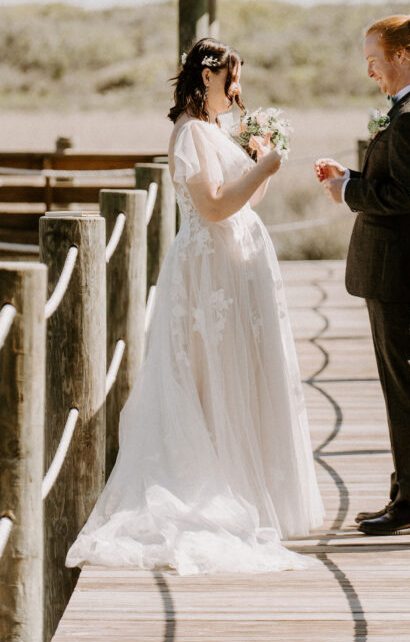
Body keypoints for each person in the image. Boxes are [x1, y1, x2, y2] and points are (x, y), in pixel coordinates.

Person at [67, 38, 323, 575]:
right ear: (207, 76)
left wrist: (257, 163)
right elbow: (211, 206)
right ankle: (211, 484)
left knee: (239, 374)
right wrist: (266, 168)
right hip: (209, 271)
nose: (238, 88)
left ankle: (245, 486)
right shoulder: (188, 132)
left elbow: (244, 200)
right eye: (232, 78)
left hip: (235, 265)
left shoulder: (214, 130)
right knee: (209, 377)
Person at [315, 8, 410, 535]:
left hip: (401, 272)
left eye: (375, 60)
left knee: (407, 386)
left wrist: (348, 192)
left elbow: (408, 197)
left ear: (400, 57)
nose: (370, 70)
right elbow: (398, 183)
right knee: (404, 383)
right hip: (399, 269)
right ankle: (409, 487)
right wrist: (352, 175)